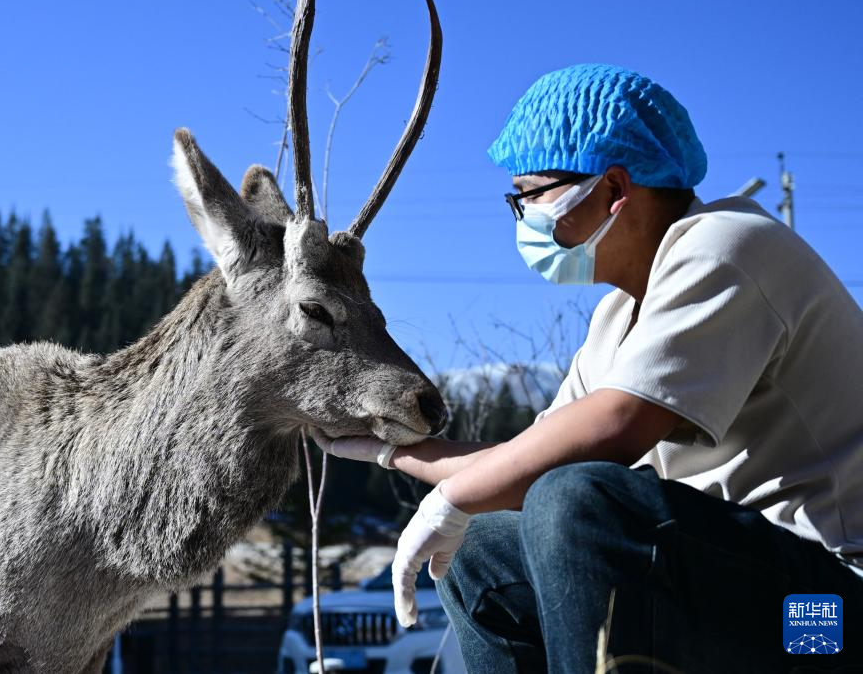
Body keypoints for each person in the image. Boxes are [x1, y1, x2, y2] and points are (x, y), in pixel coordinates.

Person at [312, 63, 863, 672]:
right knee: (484, 548)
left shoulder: (726, 245)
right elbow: (527, 457)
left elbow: (612, 431)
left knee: (573, 497)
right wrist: (386, 451)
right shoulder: (616, 320)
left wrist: (451, 501)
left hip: (826, 618)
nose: (521, 216)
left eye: (531, 194)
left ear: (613, 188)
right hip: (741, 594)